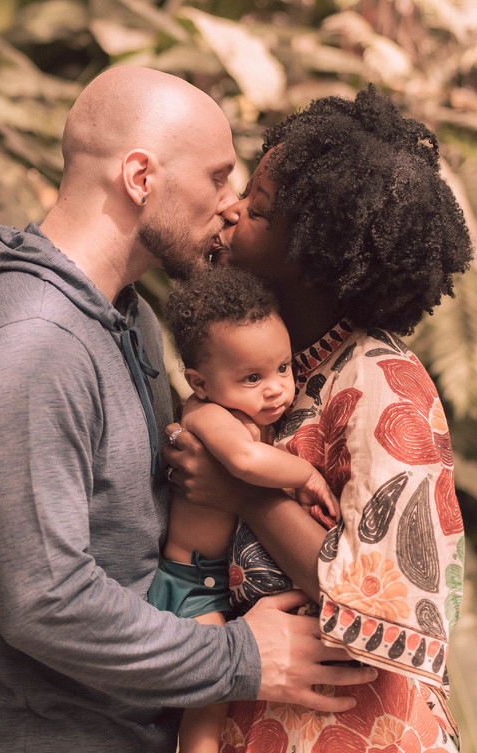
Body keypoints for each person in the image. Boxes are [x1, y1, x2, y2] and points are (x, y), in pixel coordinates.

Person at [0, 66, 375, 753]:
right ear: (140, 177)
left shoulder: (127, 315)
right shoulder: (32, 346)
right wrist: (240, 656)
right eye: (218, 177)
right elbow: (46, 601)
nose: (232, 205)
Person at [163, 84, 474, 752]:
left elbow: (389, 611)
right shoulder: (272, 372)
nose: (232, 212)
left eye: (259, 209)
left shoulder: (387, 384)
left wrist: (243, 491)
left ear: (311, 255)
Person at [152, 266, 340, 753]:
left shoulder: (242, 410)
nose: (277, 388)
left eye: (283, 368)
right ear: (200, 382)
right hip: (191, 583)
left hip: (211, 578)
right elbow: (245, 460)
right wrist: (305, 475)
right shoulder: (207, 414)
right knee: (210, 702)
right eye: (252, 377)